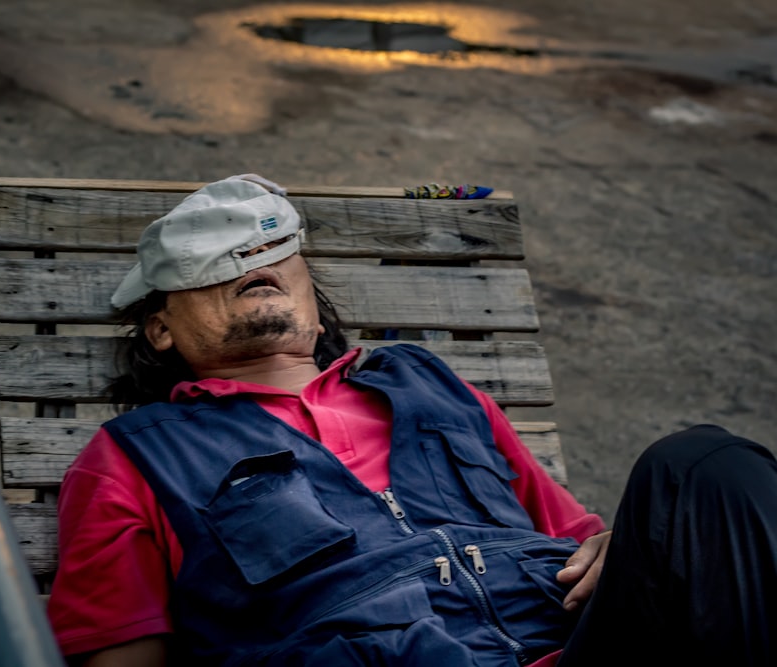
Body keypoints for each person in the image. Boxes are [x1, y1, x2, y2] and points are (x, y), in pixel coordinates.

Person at [46, 174, 777, 667]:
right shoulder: (136, 456)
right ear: (161, 329)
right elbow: (122, 653)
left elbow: (579, 538)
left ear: (306, 281)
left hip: (572, 637)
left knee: (701, 465)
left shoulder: (427, 383)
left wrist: (620, 541)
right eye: (212, 263)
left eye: (269, 248)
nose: (248, 260)